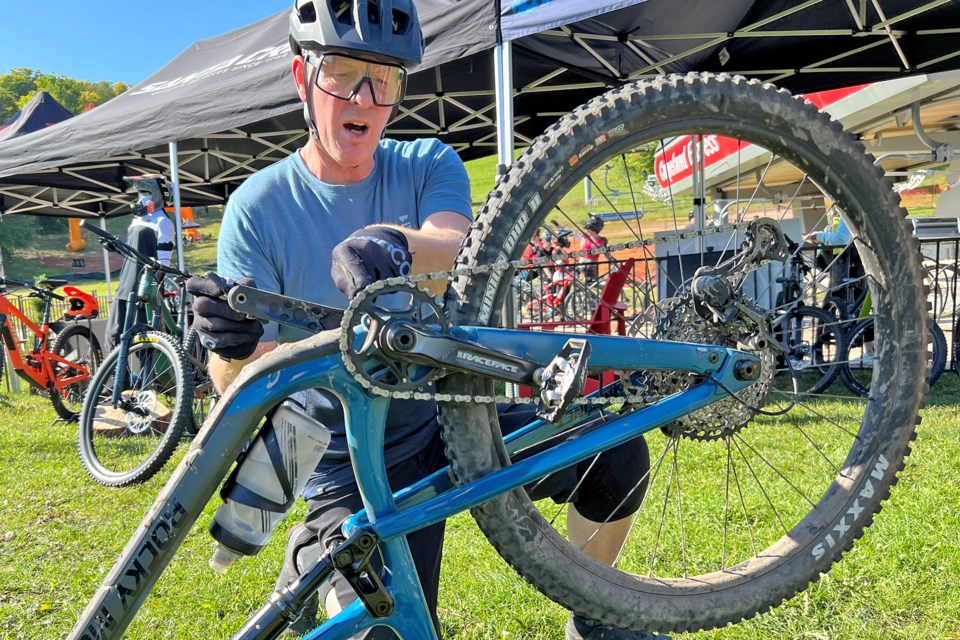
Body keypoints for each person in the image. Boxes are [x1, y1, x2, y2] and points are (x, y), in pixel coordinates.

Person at [187, 2, 663, 639]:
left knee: (614, 453)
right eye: (342, 74)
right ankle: (321, 546)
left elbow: (462, 245)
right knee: (391, 630)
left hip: (450, 412)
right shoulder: (257, 208)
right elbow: (236, 386)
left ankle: (596, 619)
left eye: (383, 80)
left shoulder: (426, 163)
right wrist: (230, 344)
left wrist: (396, 245)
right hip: (340, 453)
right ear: (302, 79)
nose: (363, 97)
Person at [103, 174, 175, 351]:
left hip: (144, 288)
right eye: (139, 193)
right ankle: (120, 378)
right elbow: (134, 252)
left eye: (145, 193)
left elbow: (164, 262)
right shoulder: (138, 219)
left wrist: (152, 290)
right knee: (113, 335)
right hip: (125, 285)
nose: (141, 198)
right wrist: (116, 247)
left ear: (158, 195)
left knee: (142, 341)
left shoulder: (163, 222)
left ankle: (149, 378)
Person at [580, 214, 608, 282]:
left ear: (594, 229)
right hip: (582, 264)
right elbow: (575, 234)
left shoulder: (600, 242)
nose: (587, 231)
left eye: (589, 229)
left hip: (591, 267)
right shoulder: (586, 238)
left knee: (592, 283)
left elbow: (607, 254)